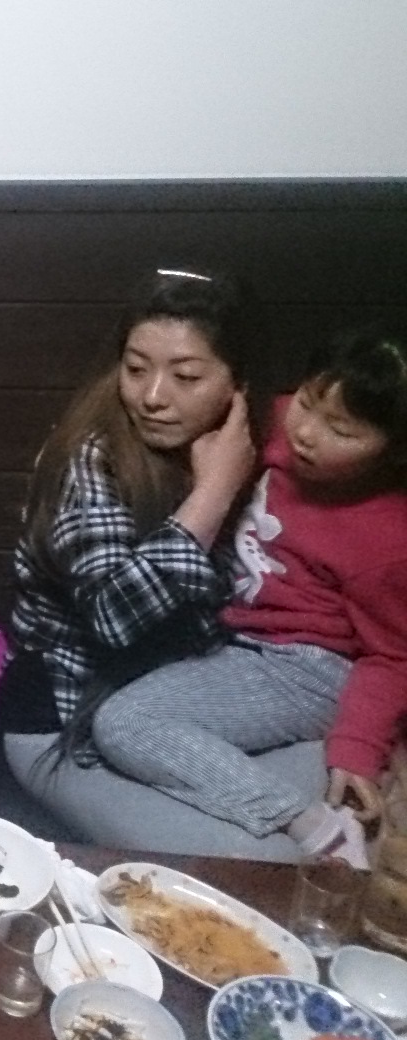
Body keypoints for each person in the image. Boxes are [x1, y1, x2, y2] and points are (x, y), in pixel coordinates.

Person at [88, 327, 407, 866]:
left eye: (341, 431)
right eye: (307, 402)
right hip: (238, 638)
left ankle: (315, 828)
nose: (306, 433)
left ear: (393, 453)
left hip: (306, 666)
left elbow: (394, 655)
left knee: (126, 722)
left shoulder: (388, 539)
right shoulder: (272, 424)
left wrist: (357, 750)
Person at [0, 269, 258, 749]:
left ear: (238, 385)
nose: (153, 398)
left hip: (175, 705)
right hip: (67, 713)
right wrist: (214, 493)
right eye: (136, 369)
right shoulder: (90, 456)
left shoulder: (247, 450)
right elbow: (112, 614)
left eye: (185, 377)